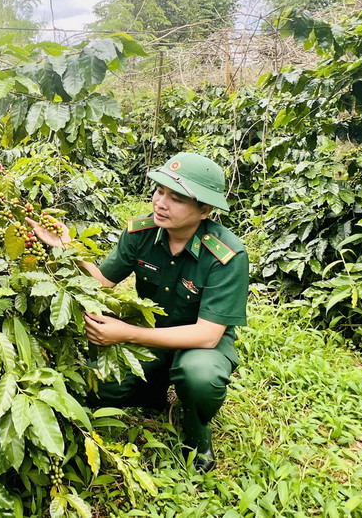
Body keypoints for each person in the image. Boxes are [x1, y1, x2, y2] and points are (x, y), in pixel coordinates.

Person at [29, 152, 248, 472]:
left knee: (200, 377)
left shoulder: (227, 254)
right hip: (153, 335)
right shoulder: (140, 232)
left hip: (201, 344)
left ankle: (197, 436)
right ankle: (154, 392)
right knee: (98, 388)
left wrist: (126, 332)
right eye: (159, 191)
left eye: (176, 198)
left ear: (205, 210)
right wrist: (67, 248)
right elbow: (103, 282)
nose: (161, 203)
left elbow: (207, 334)